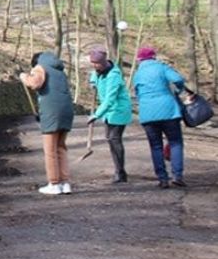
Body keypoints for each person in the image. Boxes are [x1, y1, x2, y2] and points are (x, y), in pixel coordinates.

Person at [132, 46, 189, 188]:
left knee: (155, 146)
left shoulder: (138, 73)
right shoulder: (161, 67)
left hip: (148, 113)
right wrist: (179, 89)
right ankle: (177, 175)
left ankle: (162, 178)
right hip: (168, 110)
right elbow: (177, 79)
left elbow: (138, 92)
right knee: (175, 142)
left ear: (139, 59)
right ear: (153, 57)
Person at [20, 51, 75, 195]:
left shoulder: (40, 68)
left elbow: (35, 83)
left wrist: (24, 76)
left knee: (50, 150)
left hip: (52, 112)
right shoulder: (60, 72)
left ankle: (54, 183)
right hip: (66, 111)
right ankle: (65, 183)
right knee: (61, 148)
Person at [86, 46, 132, 183]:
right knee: (110, 139)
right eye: (92, 63)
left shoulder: (114, 76)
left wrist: (96, 114)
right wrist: (93, 81)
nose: (94, 66)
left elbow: (110, 99)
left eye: (96, 63)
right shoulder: (99, 70)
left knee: (114, 139)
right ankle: (119, 170)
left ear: (104, 62)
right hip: (108, 113)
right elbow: (96, 74)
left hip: (118, 110)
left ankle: (120, 172)